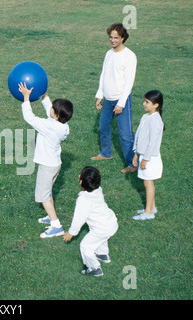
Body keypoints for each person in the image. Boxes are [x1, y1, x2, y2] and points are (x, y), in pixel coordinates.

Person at [18, 82, 73, 238]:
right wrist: (44, 96)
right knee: (48, 191)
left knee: (43, 195)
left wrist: (26, 98)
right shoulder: (63, 125)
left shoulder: (48, 126)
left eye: (52, 108)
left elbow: (29, 117)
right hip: (55, 164)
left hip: (47, 166)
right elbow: (53, 110)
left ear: (55, 114)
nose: (50, 108)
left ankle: (56, 225)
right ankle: (50, 216)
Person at [91, 23, 137, 174]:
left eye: (116, 38)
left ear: (123, 38)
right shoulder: (109, 53)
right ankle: (106, 153)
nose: (112, 40)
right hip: (108, 99)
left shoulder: (130, 56)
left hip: (121, 100)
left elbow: (129, 82)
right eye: (110, 37)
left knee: (125, 134)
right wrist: (100, 95)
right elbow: (104, 74)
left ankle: (132, 163)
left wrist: (121, 103)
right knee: (103, 127)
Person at [63, 166, 118, 277]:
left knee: (85, 246)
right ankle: (102, 254)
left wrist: (71, 233)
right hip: (110, 222)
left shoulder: (84, 200)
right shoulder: (98, 189)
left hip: (102, 227)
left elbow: (78, 219)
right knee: (100, 237)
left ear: (81, 181)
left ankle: (94, 268)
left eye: (80, 174)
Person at [132, 90, 164, 220]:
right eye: (144, 101)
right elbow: (139, 136)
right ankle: (152, 207)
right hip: (143, 155)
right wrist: (136, 153)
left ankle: (148, 212)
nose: (144, 104)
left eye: (147, 102)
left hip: (150, 158)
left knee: (148, 183)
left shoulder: (156, 120)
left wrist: (145, 159)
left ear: (156, 105)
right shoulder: (145, 117)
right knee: (147, 182)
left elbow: (152, 143)